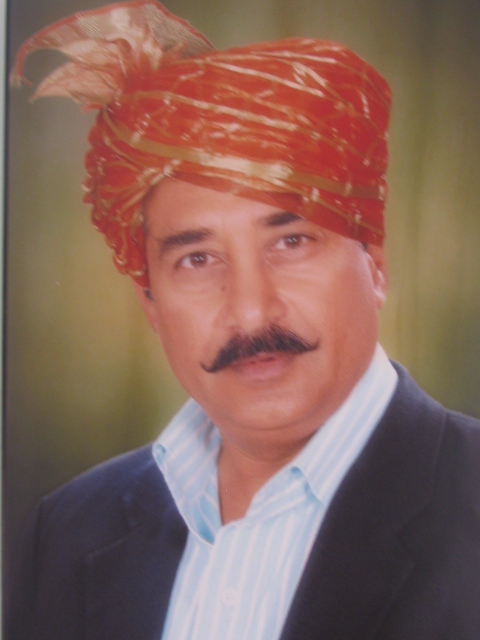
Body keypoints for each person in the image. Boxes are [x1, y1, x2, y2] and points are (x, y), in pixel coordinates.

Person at [6, 1, 480, 639]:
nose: (252, 310)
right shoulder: (69, 531)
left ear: (374, 263)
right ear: (151, 305)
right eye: (197, 259)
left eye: (291, 242)